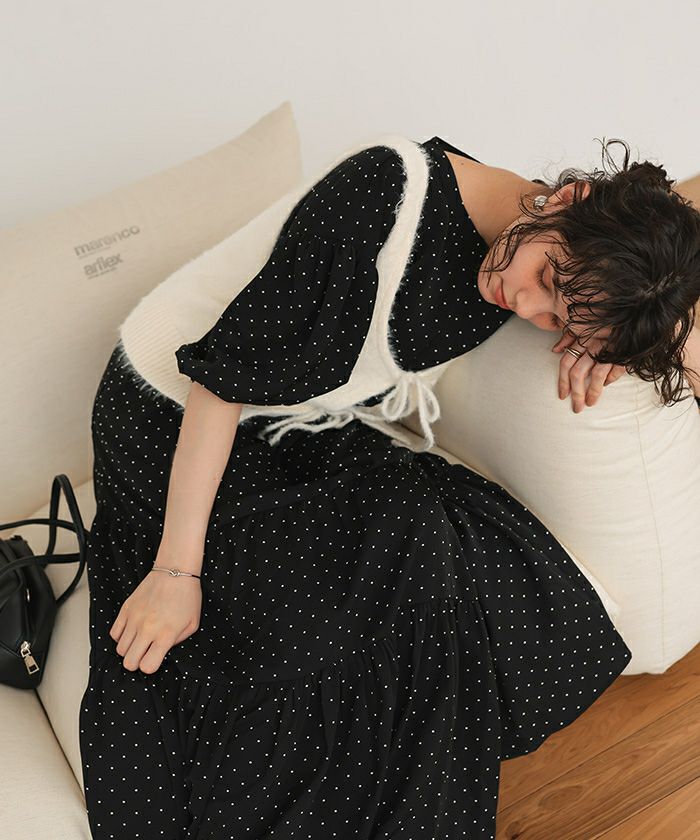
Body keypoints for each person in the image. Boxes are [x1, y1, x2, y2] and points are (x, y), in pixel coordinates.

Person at [78, 135, 700, 839]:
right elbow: (221, 381)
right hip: (173, 422)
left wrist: (634, 328)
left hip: (296, 426)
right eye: (547, 279)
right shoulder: (380, 194)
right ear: (568, 198)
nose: (525, 304)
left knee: (455, 580)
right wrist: (174, 571)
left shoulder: (557, 244)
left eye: (555, 320)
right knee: (337, 622)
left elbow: (660, 262)